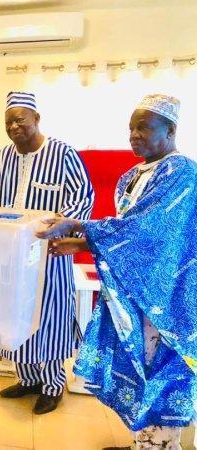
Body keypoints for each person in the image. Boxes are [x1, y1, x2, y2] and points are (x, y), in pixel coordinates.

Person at [36, 94, 196, 450]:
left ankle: (160, 446)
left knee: (161, 372)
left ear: (170, 131)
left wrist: (77, 225)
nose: (134, 135)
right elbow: (128, 236)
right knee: (139, 366)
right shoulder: (134, 175)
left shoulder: (182, 172)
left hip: (165, 296)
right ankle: (142, 442)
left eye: (144, 127)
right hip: (135, 289)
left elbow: (151, 232)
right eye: (131, 128)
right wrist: (81, 244)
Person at [0, 91, 94, 414]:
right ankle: (28, 379)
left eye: (20, 120)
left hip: (50, 255)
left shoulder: (63, 154)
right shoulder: (4, 157)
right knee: (16, 317)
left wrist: (60, 225)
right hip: (13, 257)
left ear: (37, 119)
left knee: (50, 319)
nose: (14, 127)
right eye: (8, 122)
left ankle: (53, 386)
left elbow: (83, 198)